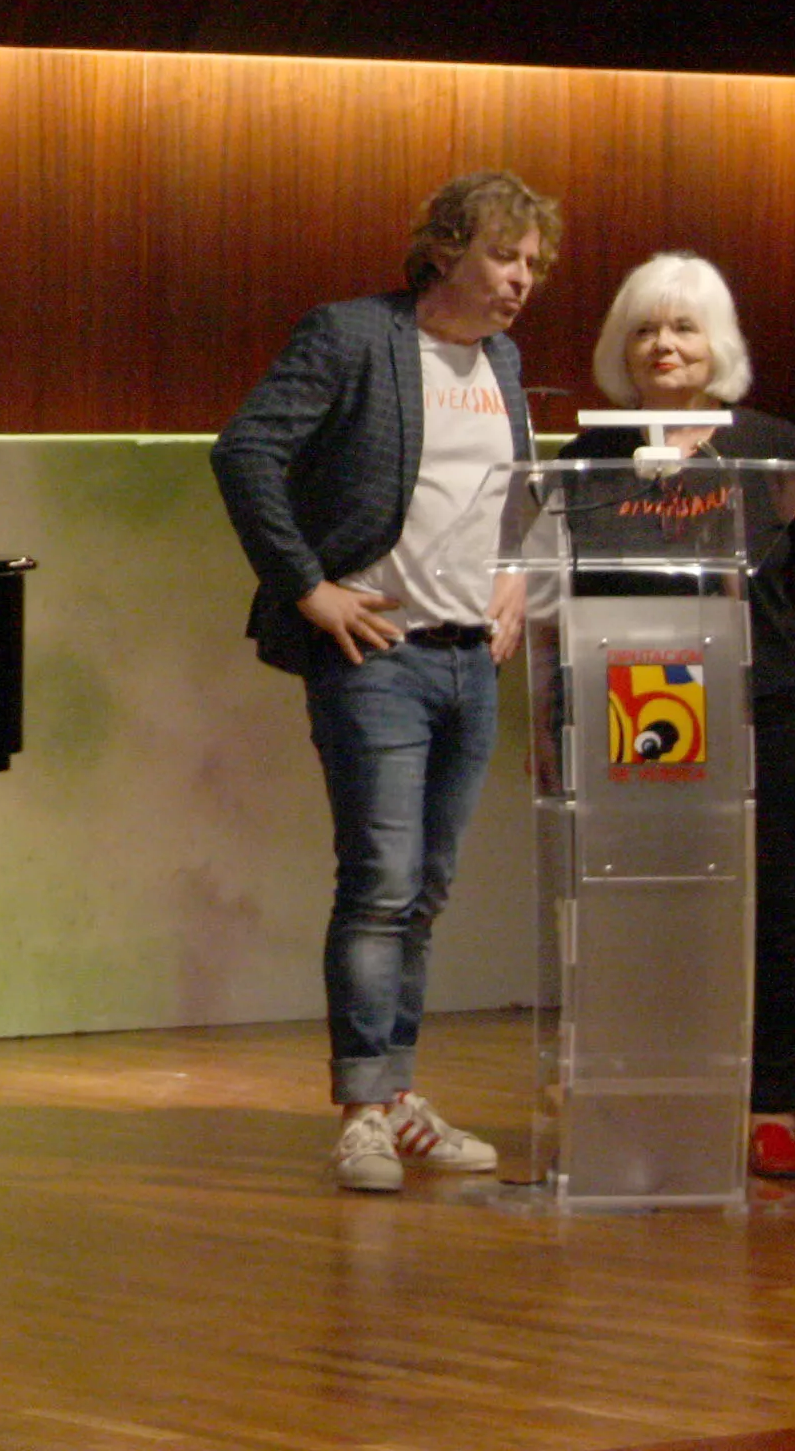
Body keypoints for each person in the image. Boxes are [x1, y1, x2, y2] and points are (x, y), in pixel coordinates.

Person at [212, 168, 560, 1192]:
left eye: (534, 264)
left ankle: (401, 1093)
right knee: (381, 882)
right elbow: (245, 454)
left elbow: (514, 495)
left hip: (469, 658)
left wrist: (512, 582)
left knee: (428, 889)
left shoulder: (502, 355)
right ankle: (363, 1109)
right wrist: (308, 588)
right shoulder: (355, 334)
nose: (520, 280)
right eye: (505, 255)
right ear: (445, 248)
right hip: (379, 655)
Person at [566, 252, 795, 1181]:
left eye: (684, 327)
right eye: (645, 329)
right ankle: (642, 1100)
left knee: (769, 909)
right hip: (632, 716)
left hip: (755, 708)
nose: (664, 346)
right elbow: (555, 596)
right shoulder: (592, 457)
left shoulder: (771, 449)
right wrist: (546, 725)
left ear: (716, 343)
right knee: (638, 911)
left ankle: (771, 1107)